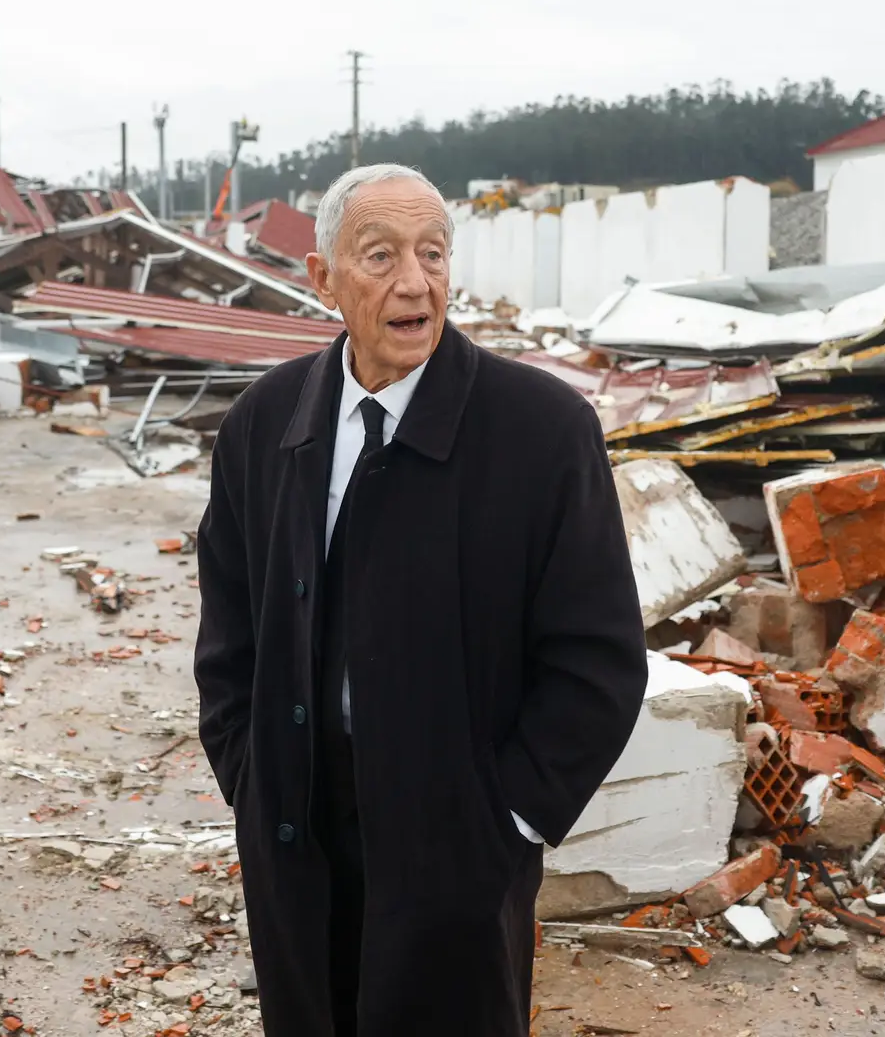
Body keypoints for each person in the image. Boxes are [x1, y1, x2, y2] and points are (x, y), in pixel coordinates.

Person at [194, 163, 647, 1036]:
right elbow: (230, 629)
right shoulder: (263, 423)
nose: (415, 282)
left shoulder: (543, 431)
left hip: (458, 841)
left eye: (432, 253)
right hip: (297, 828)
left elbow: (599, 661)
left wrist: (508, 818)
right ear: (323, 278)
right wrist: (250, 776)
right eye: (381, 256)